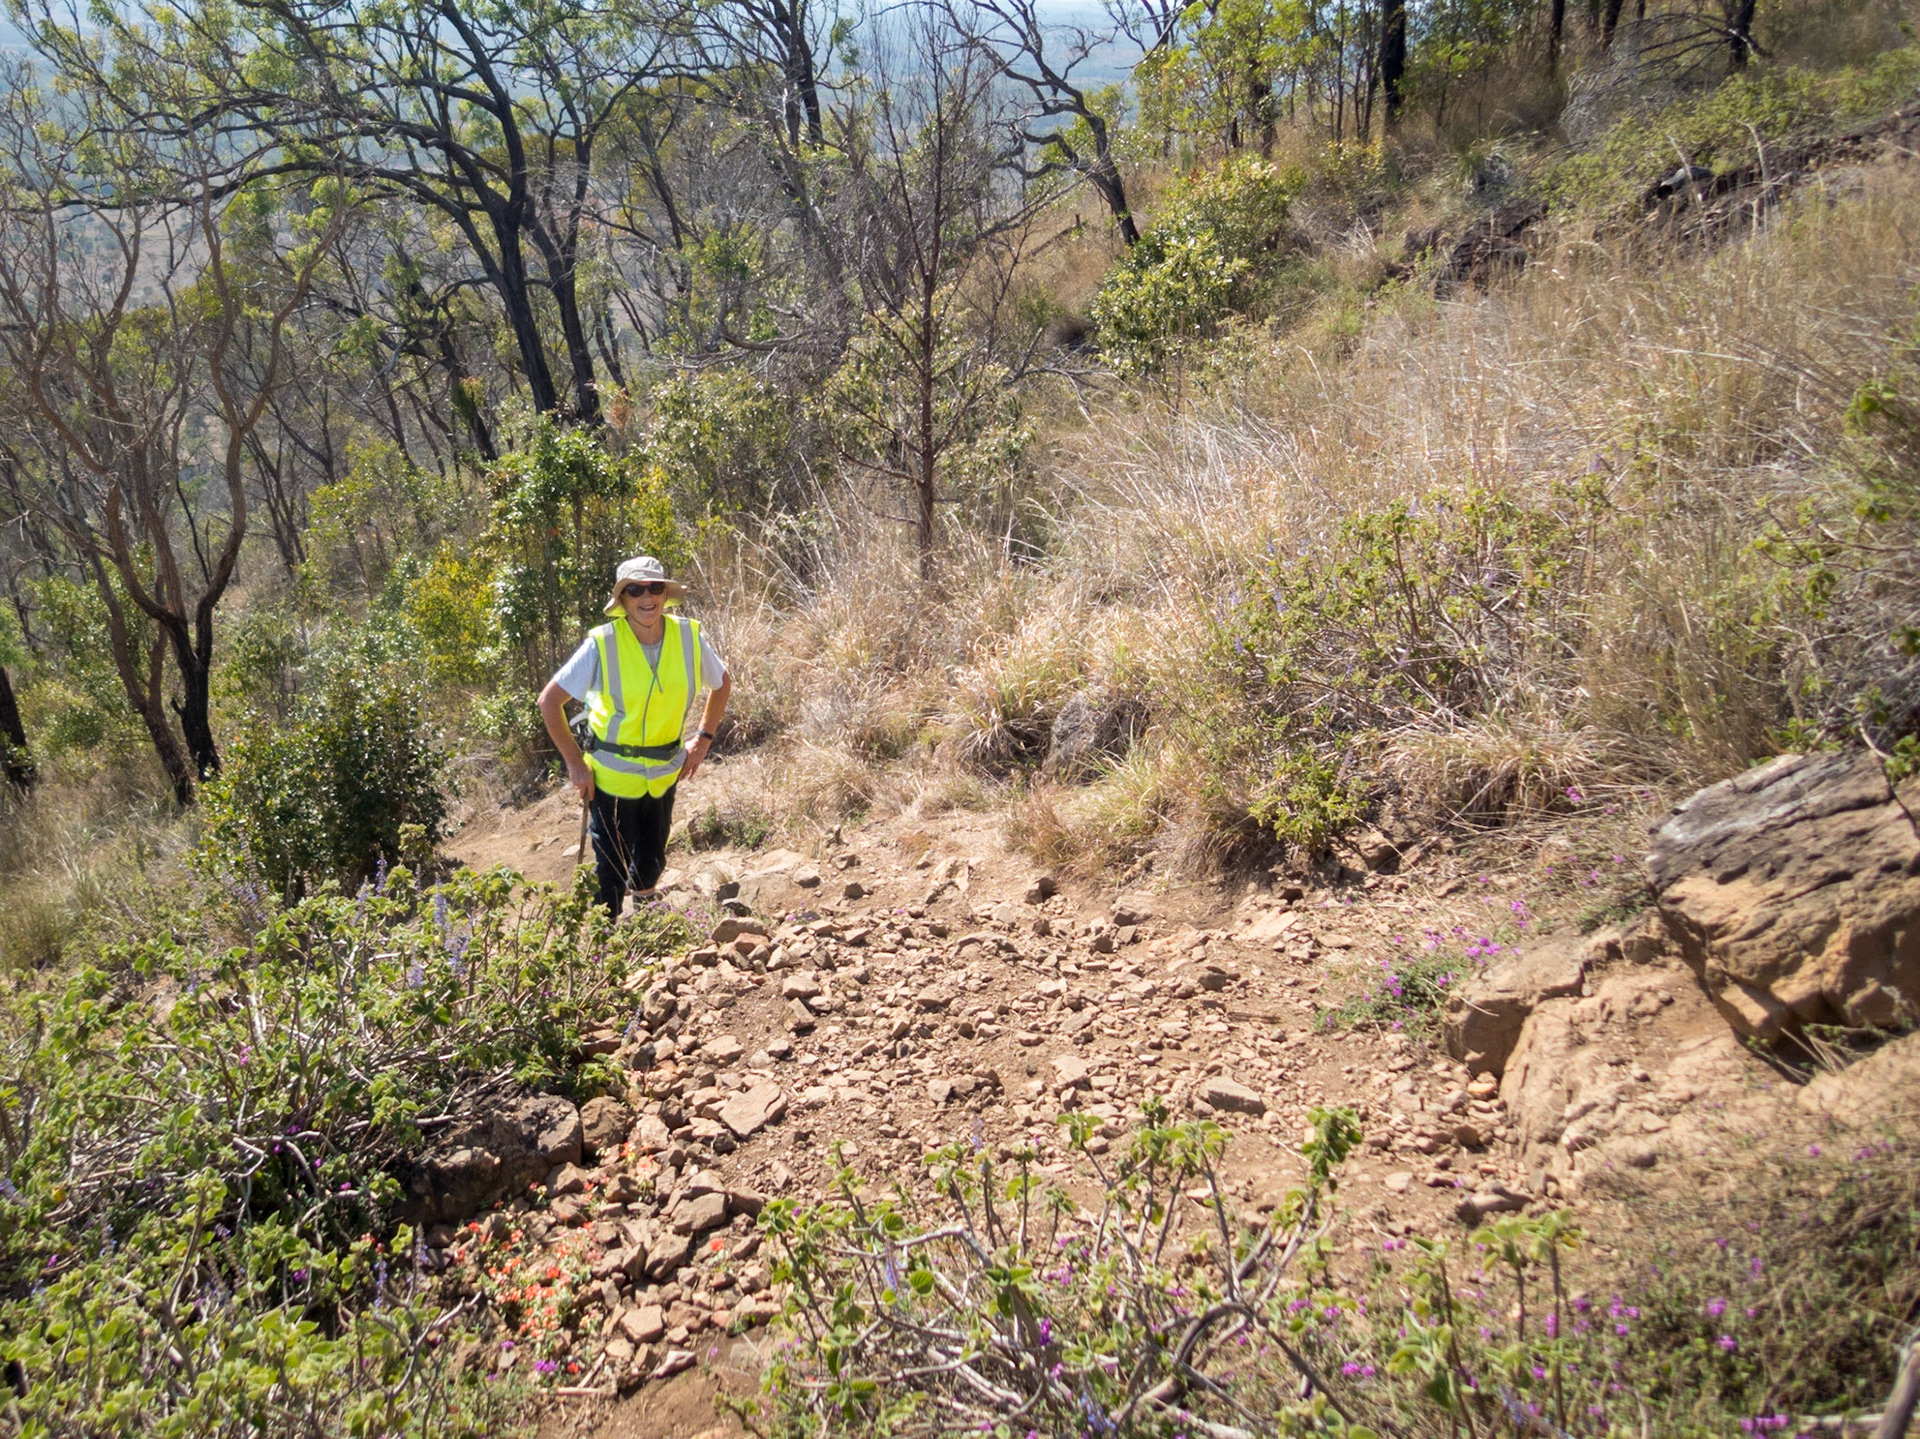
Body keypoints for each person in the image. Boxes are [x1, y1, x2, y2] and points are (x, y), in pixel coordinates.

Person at [537, 556, 731, 916]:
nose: (647, 597)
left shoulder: (688, 635)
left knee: (653, 857)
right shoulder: (602, 644)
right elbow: (549, 702)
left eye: (655, 588)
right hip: (611, 778)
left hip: (664, 771)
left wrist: (703, 739)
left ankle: (645, 925)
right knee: (610, 868)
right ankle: (605, 945)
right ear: (622, 599)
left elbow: (722, 684)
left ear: (665, 593)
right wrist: (576, 765)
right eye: (635, 590)